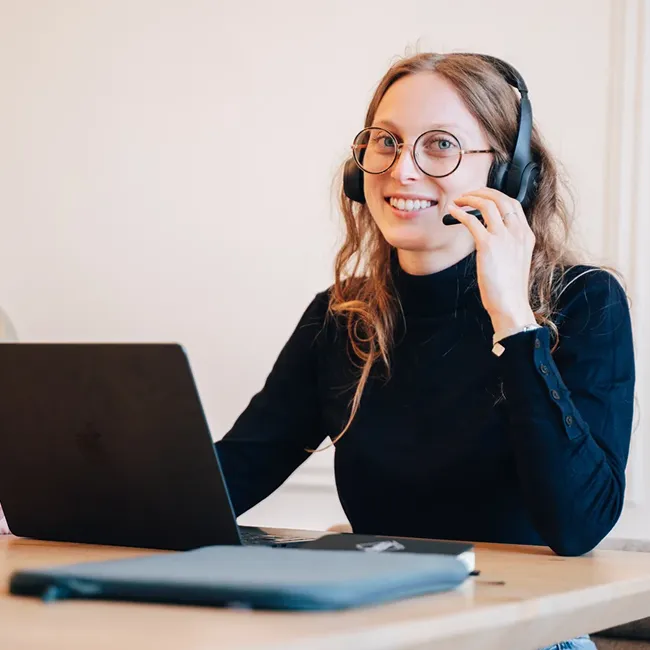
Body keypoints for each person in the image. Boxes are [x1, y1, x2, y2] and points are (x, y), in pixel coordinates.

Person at [0, 52, 634, 648]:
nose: (402, 169)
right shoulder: (343, 315)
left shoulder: (582, 302)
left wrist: (514, 322)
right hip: (382, 626)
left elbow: (577, 527)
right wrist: (64, 503)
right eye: (385, 142)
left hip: (522, 634)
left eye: (439, 145)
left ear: (507, 174)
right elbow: (237, 471)